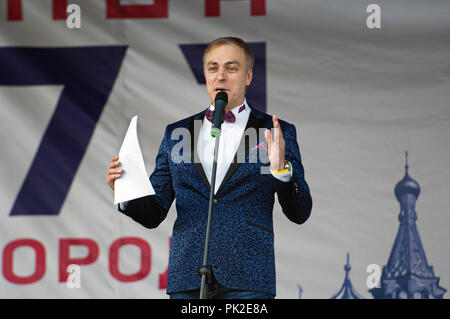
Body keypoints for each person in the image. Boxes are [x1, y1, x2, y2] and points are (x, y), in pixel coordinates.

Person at [106, 37, 312, 299]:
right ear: (205, 75)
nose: (221, 76)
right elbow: (154, 212)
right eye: (213, 68)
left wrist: (282, 171)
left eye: (231, 68)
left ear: (248, 76)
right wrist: (126, 189)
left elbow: (300, 212)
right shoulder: (177, 133)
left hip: (247, 278)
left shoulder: (272, 131)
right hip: (188, 276)